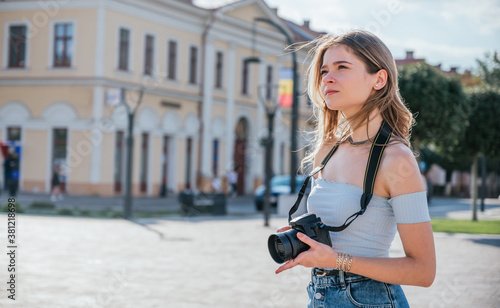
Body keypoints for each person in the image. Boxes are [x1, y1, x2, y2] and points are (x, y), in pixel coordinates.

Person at [275, 31, 436, 307]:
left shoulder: (396, 159)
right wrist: (306, 242)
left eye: (342, 67)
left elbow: (423, 271)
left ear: (379, 79)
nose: (327, 78)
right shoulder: (327, 149)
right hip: (319, 294)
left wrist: (336, 260)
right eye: (324, 70)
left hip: (370, 299)